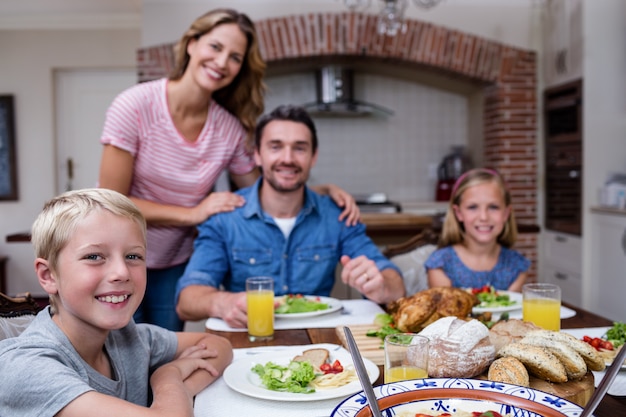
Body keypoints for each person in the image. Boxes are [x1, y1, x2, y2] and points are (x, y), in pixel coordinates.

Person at [98, 9, 359, 331]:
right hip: (118, 256)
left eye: (235, 57)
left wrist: (323, 192)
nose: (222, 62)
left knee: (159, 355)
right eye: (216, 47)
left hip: (175, 260)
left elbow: (263, 188)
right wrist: (191, 214)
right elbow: (110, 201)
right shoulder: (135, 106)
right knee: (113, 355)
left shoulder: (229, 129)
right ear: (192, 44)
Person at [0, 189, 233, 417]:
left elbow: (217, 345)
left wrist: (183, 386)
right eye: (94, 257)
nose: (121, 272)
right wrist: (169, 377)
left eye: (133, 256)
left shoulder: (129, 338)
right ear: (49, 275)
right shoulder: (26, 368)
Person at [175, 105, 405, 328]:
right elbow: (187, 299)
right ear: (257, 155)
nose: (288, 158)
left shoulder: (336, 215)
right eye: (275, 147)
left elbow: (393, 282)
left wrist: (381, 286)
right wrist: (223, 302)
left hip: (321, 342)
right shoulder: (225, 218)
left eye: (300, 148)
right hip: (251, 340)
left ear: (313, 157)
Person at [425, 168, 530, 291]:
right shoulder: (440, 264)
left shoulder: (517, 265)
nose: (484, 217)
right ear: (458, 213)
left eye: (493, 207)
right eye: (473, 207)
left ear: (506, 213)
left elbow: (513, 308)